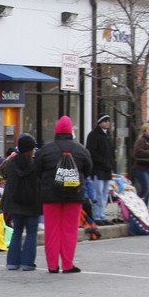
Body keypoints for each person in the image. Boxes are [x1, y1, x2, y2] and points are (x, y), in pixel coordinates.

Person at [31, 115, 92, 273]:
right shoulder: (80, 150)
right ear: (71, 131)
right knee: (70, 230)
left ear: (56, 131)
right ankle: (67, 264)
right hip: (74, 195)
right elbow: (88, 169)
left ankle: (52, 265)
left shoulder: (46, 150)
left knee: (52, 231)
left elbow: (37, 170)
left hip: (50, 196)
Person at [0, 134, 40, 271]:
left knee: (17, 231)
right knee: (31, 233)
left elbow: (6, 177)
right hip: (33, 202)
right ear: (30, 149)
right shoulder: (35, 164)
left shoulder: (11, 163)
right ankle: (27, 263)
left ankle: (12, 262)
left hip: (15, 202)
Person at [85, 114, 115, 225]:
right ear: (99, 122)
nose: (107, 123)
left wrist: (111, 164)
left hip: (107, 170)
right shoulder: (93, 135)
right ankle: (97, 216)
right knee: (98, 194)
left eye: (108, 121)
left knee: (105, 194)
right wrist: (102, 162)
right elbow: (91, 152)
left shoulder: (107, 135)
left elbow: (111, 152)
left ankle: (102, 215)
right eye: (105, 121)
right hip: (98, 170)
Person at [131, 123, 149, 208]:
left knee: (148, 191)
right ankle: (139, 207)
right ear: (144, 131)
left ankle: (145, 209)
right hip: (142, 168)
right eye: (148, 129)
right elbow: (137, 152)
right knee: (146, 188)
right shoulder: (142, 140)